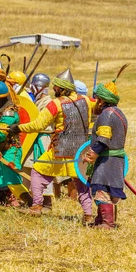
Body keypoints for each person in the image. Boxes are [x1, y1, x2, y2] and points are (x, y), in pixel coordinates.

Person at [10, 68, 96, 224]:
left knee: (37, 171)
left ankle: (36, 206)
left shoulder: (55, 104)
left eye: (56, 87)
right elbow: (100, 107)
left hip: (59, 150)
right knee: (81, 183)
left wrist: (18, 128)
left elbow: (38, 125)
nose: (53, 89)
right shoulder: (87, 100)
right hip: (80, 152)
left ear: (62, 88)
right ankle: (88, 215)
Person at [84, 74, 128, 229]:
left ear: (101, 100)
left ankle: (107, 223)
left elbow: (103, 138)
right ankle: (100, 220)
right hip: (114, 159)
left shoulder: (106, 115)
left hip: (107, 160)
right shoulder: (118, 112)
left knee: (102, 189)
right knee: (106, 190)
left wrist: (92, 154)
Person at [22, 73, 57, 211]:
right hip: (31, 138)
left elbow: (42, 123)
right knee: (27, 167)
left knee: (43, 169)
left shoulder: (49, 103)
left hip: (43, 139)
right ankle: (29, 200)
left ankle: (46, 202)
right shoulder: (34, 101)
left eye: (35, 87)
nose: (32, 89)